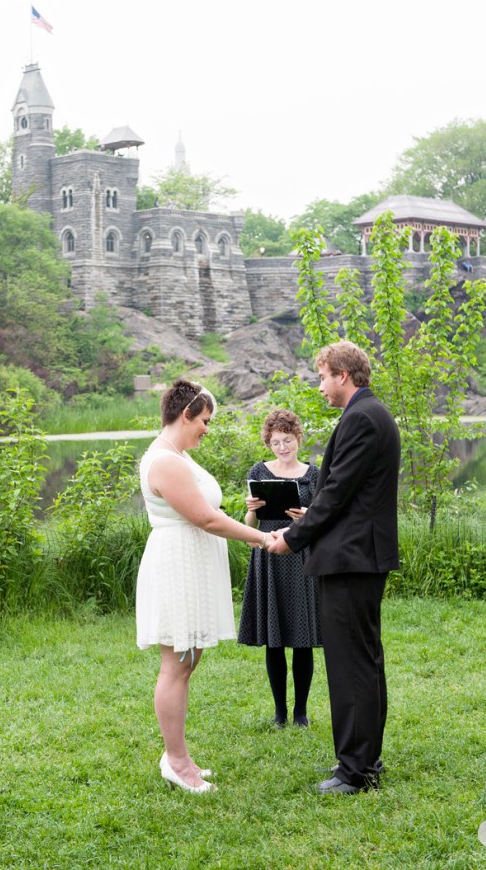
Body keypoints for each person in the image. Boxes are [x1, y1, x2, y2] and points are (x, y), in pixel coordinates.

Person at [266, 341, 400, 795]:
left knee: (351, 666)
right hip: (357, 556)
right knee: (364, 660)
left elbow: (337, 492)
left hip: (350, 560)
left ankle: (355, 772)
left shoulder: (362, 417)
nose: (320, 386)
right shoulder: (370, 413)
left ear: (343, 374)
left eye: (322, 376)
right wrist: (312, 520)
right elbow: (346, 495)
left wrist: (292, 537)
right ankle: (368, 762)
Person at [136, 378, 272, 794]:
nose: (207, 429)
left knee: (188, 660)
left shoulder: (178, 455)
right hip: (175, 567)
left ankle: (179, 754)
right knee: (176, 664)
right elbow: (206, 518)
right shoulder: (165, 462)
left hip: (190, 566)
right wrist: (264, 538)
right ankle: (176, 762)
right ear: (185, 414)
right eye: (205, 420)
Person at [238, 409, 322, 728]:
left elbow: (323, 520)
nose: (282, 447)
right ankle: (279, 713)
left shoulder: (313, 474)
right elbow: (251, 527)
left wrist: (306, 519)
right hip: (269, 555)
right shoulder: (259, 471)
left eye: (287, 440)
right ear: (268, 442)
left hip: (301, 556)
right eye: (276, 442)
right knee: (274, 640)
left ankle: (300, 712)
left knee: (302, 639)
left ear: (298, 438)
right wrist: (250, 511)